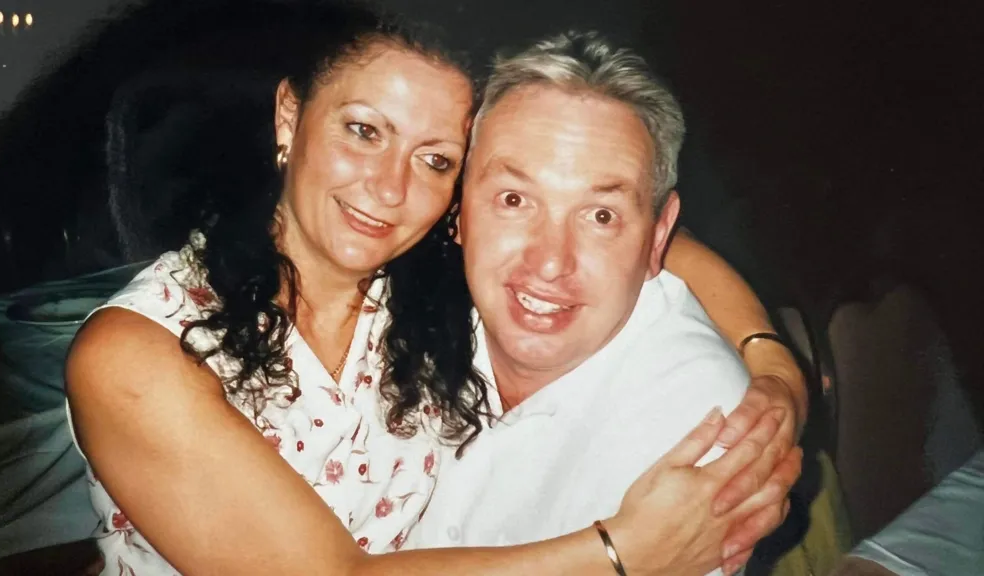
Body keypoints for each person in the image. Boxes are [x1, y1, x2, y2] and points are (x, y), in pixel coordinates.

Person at [65, 2, 803, 574]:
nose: (389, 189)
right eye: (364, 131)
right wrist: (620, 555)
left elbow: (636, 238)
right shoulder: (138, 354)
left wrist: (775, 372)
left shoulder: (421, 278)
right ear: (291, 116)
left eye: (436, 159)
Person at [404, 31, 797, 576]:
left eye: (601, 216)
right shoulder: (390, 292)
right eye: (515, 200)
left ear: (658, 236)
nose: (549, 263)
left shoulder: (700, 424)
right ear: (459, 209)